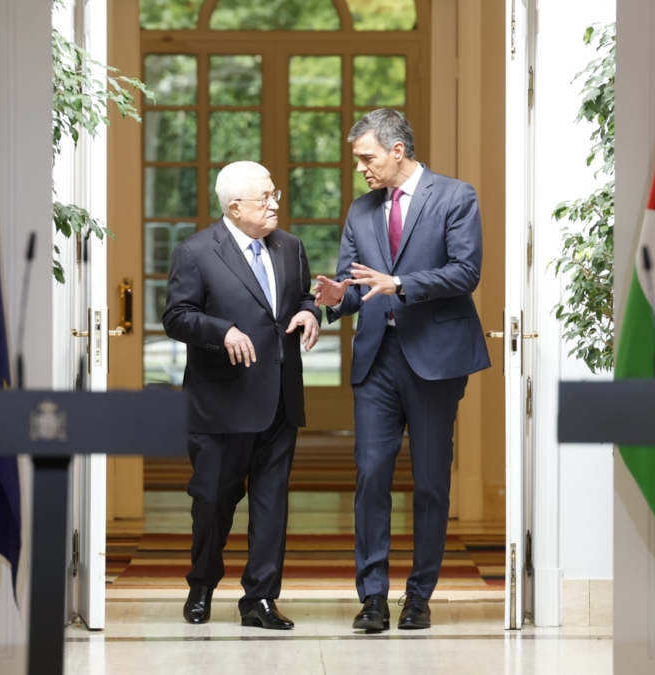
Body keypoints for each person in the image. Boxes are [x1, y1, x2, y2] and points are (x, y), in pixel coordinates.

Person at [315, 108, 490, 631]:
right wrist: (334, 297)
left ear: (397, 151)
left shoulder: (456, 197)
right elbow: (355, 282)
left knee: (432, 481)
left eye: (367, 158)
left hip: (435, 359)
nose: (362, 169)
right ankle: (372, 598)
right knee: (371, 477)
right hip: (377, 361)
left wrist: (401, 283)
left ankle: (419, 596)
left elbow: (466, 271)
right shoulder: (361, 210)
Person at [161, 160, 321, 630]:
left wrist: (311, 312)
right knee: (212, 501)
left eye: (275, 195)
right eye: (265, 197)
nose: (275, 203)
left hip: (280, 400)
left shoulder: (290, 247)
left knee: (272, 505)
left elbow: (302, 297)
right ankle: (202, 586)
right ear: (234, 208)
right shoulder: (195, 252)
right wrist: (220, 330)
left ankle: (260, 600)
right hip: (222, 402)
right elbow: (177, 316)